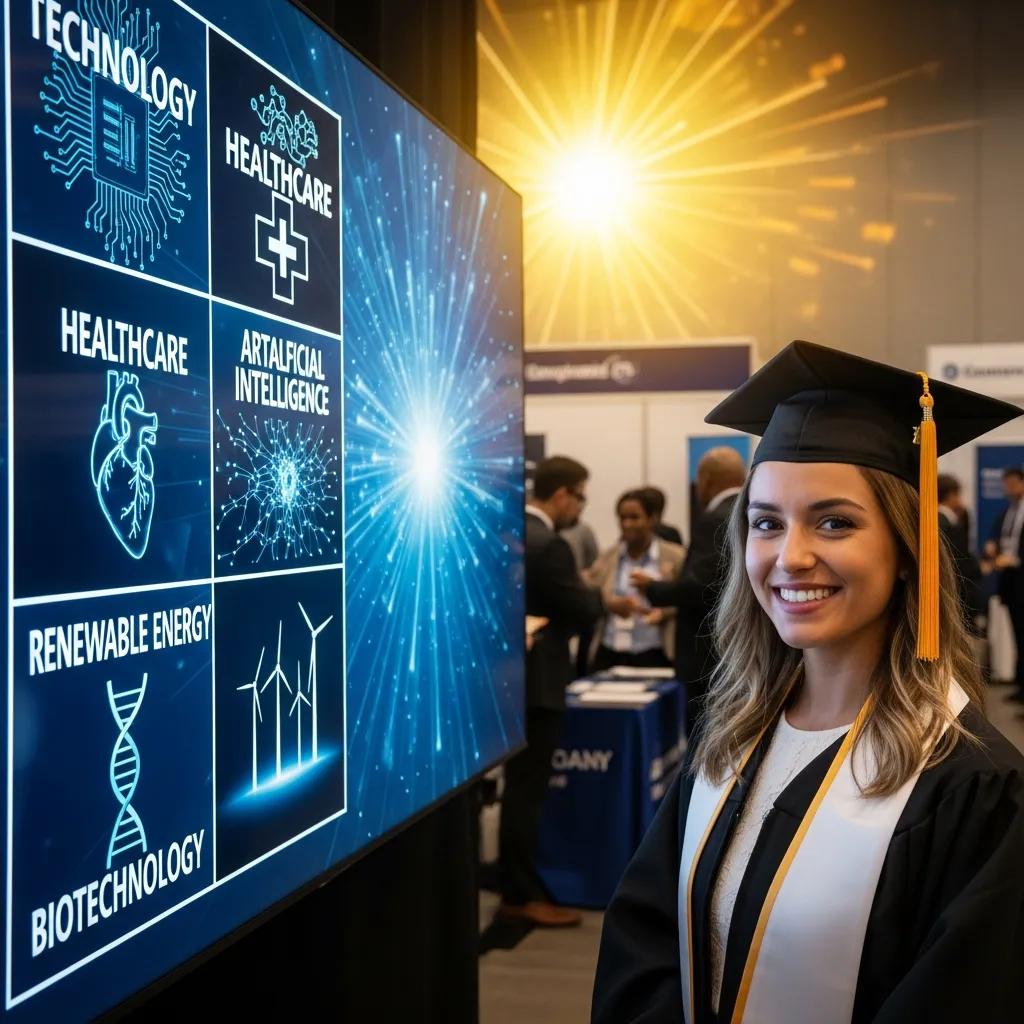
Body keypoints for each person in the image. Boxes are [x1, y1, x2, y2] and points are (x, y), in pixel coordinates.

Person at [592, 341, 1024, 1024]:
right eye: (767, 523)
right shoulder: (730, 738)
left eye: (834, 522)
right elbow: (644, 944)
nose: (792, 557)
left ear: (906, 548)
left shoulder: (971, 786)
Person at [499, 456, 634, 928]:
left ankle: (515, 885)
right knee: (527, 794)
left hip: (507, 682)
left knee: (518, 789)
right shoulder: (549, 545)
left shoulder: (508, 534)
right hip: (539, 685)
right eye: (580, 496)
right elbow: (578, 610)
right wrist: (598, 600)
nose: (581, 506)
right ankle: (520, 892)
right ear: (562, 495)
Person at [632, 448, 745, 738]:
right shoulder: (750, 511)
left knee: (704, 739)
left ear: (705, 480)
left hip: (706, 653)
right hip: (740, 648)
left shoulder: (712, 518)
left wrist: (653, 588)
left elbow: (701, 586)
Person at [585, 489, 685, 672]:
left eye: (634, 517)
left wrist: (663, 614)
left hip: (656, 653)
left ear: (652, 519)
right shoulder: (607, 557)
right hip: (611, 653)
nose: (627, 524)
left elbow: (688, 599)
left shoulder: (675, 557)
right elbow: (590, 594)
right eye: (622, 518)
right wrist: (610, 604)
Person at [984, 467, 1024, 699]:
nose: (1007, 489)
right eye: (1005, 484)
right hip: (1010, 583)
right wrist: (992, 545)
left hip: (1020, 575)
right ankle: (1020, 684)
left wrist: (1016, 559)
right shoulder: (1007, 512)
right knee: (1017, 632)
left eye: (1011, 484)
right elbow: (998, 537)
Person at [937, 473, 983, 630]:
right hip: (955, 592)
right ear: (951, 495)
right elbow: (958, 560)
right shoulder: (946, 524)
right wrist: (980, 568)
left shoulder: (939, 520)